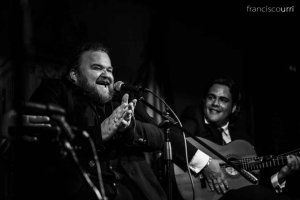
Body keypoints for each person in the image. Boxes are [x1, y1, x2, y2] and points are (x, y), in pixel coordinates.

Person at [9, 42, 229, 200]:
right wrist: (100, 132)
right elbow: (45, 144)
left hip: (135, 190)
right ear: (74, 75)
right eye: (97, 68)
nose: (107, 74)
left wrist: (130, 129)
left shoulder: (122, 99)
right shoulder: (55, 91)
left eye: (110, 69)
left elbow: (161, 134)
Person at [179, 76, 300, 200]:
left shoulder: (243, 139)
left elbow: (253, 183)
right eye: (211, 97)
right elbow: (175, 137)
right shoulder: (195, 118)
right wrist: (205, 164)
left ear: (234, 108)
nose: (215, 103)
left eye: (223, 100)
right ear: (204, 100)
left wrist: (281, 175)